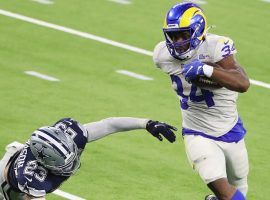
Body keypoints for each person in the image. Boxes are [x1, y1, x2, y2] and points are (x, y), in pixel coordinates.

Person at [153, 2, 250, 200]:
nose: (177, 41)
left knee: (240, 189)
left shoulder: (216, 46)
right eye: (173, 35)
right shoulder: (161, 55)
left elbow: (242, 83)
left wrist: (208, 70)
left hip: (230, 127)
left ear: (197, 31)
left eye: (183, 34)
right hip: (197, 132)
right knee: (227, 194)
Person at [0, 117, 177, 199]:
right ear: (46, 162)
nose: (72, 162)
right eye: (65, 162)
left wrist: (146, 123)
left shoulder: (71, 136)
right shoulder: (31, 176)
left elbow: (109, 125)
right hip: (6, 187)